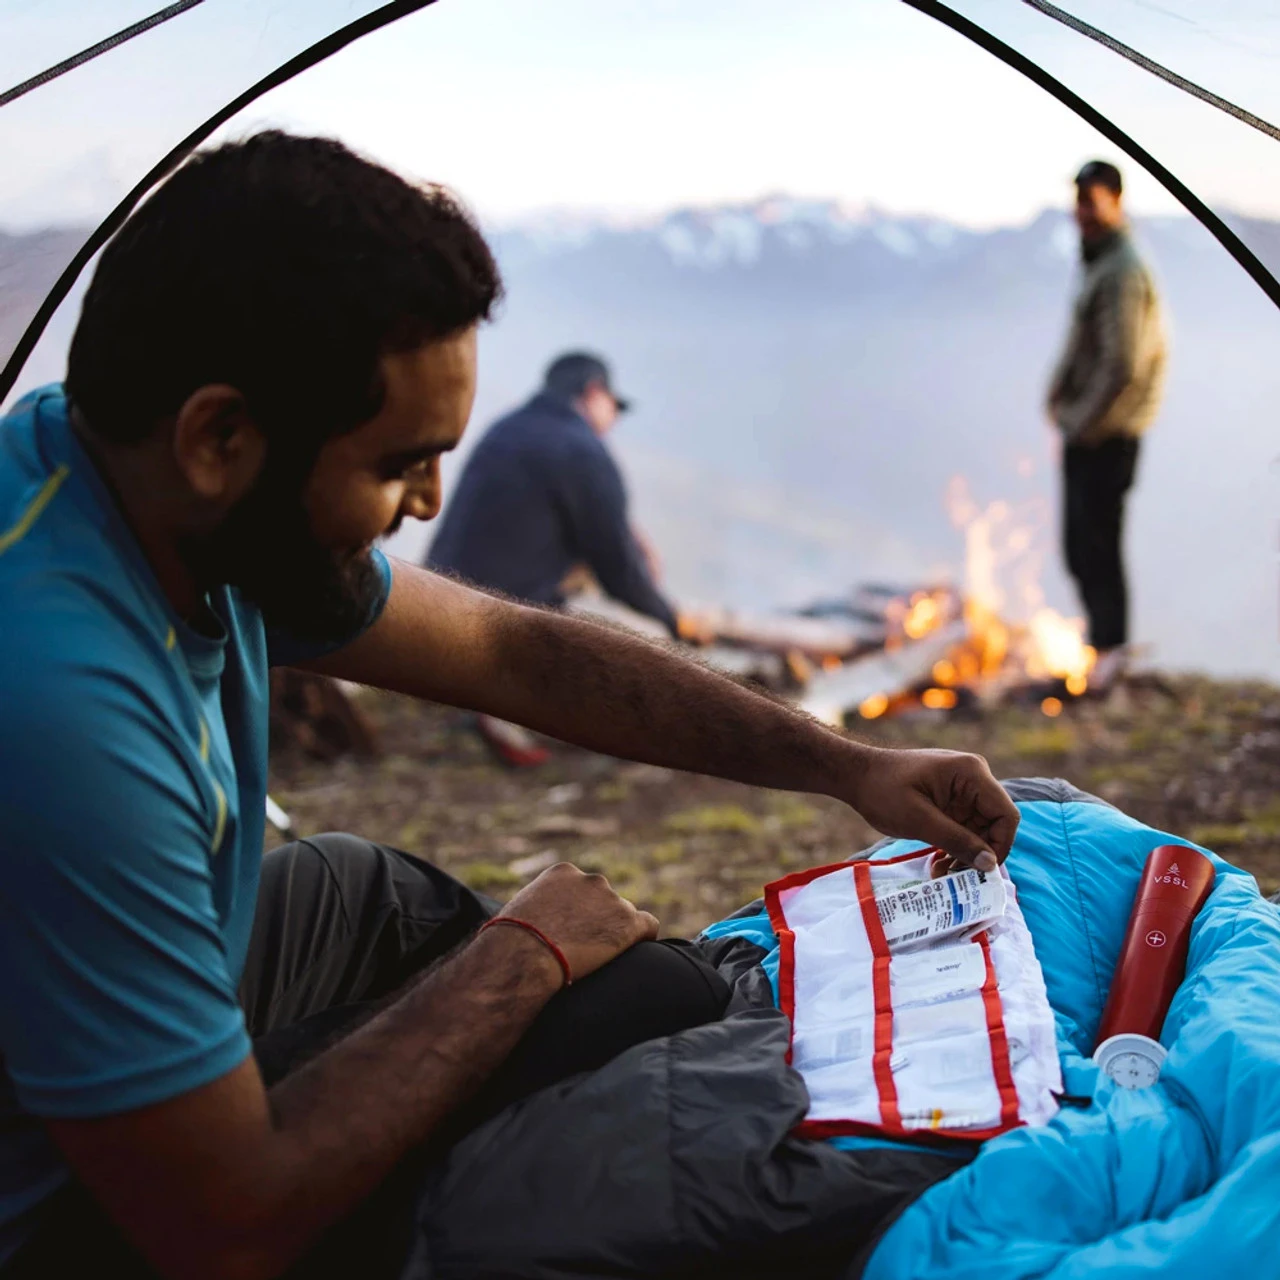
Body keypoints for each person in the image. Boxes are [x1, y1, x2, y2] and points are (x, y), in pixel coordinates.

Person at [0, 131, 1020, 1280]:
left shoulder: (118, 471)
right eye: (398, 464)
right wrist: (520, 956)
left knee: (366, 890)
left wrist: (845, 765)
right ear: (218, 437)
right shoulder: (62, 710)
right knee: (611, 1013)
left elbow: (515, 651)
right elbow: (223, 1224)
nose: (428, 501)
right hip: (66, 1215)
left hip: (71, 1033)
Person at [428, 351, 686, 764]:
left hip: (436, 608)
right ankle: (507, 704)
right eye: (615, 406)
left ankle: (495, 696)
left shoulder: (506, 430)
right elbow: (620, 573)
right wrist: (671, 619)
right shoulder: (583, 450)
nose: (615, 419)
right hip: (497, 624)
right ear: (594, 392)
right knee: (655, 642)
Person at [1047, 159, 1167, 690]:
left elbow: (1121, 362)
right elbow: (1084, 344)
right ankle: (1103, 647)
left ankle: (1110, 653)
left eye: (1092, 202)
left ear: (1116, 202)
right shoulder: (1101, 260)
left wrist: (1079, 418)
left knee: (1096, 543)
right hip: (1091, 429)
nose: (1083, 213)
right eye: (1079, 202)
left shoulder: (1122, 269)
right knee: (1083, 544)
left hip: (1107, 433)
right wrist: (1056, 392)